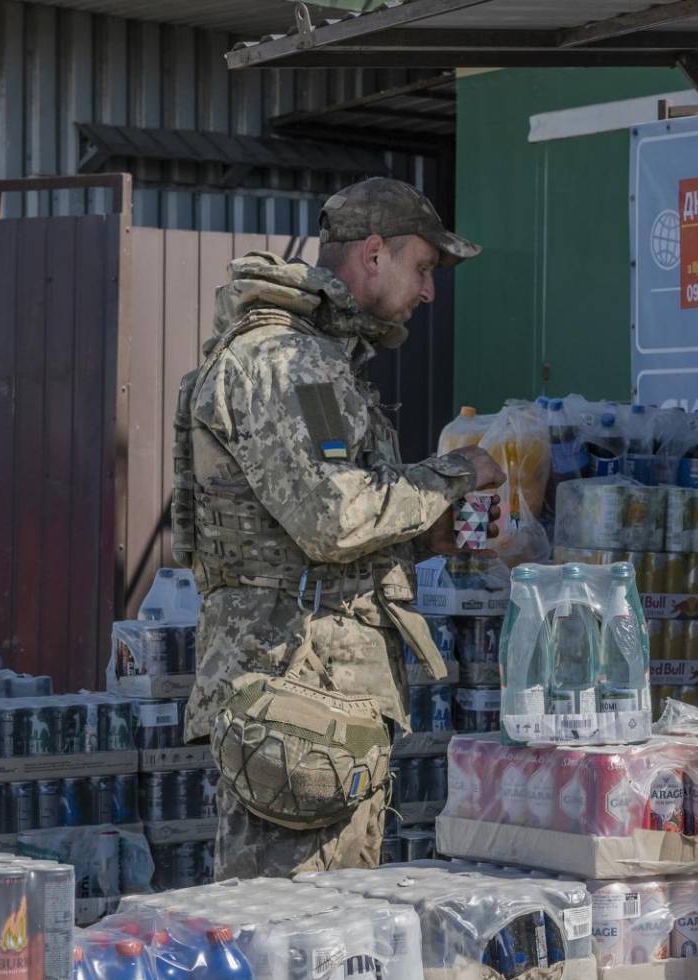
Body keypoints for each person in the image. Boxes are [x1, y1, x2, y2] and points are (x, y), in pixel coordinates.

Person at [172, 177, 505, 877]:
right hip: (297, 697)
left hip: (316, 699)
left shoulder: (312, 363)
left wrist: (425, 536)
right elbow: (332, 517)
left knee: (332, 937)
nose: (428, 292)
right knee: (299, 938)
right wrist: (455, 476)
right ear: (375, 254)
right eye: (423, 269)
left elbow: (307, 524)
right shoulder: (288, 362)